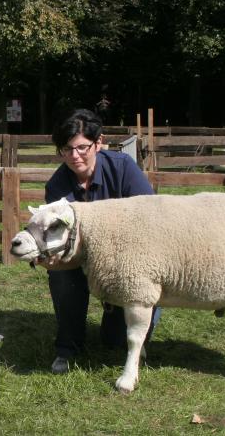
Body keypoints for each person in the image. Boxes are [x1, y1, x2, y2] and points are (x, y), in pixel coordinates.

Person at [41, 109, 161, 374]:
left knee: (115, 342)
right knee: (61, 275)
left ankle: (128, 319)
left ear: (99, 143)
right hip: (80, 258)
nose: (74, 156)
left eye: (82, 147)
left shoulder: (123, 168)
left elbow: (150, 217)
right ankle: (67, 347)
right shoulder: (57, 185)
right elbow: (59, 235)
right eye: (66, 149)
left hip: (127, 263)